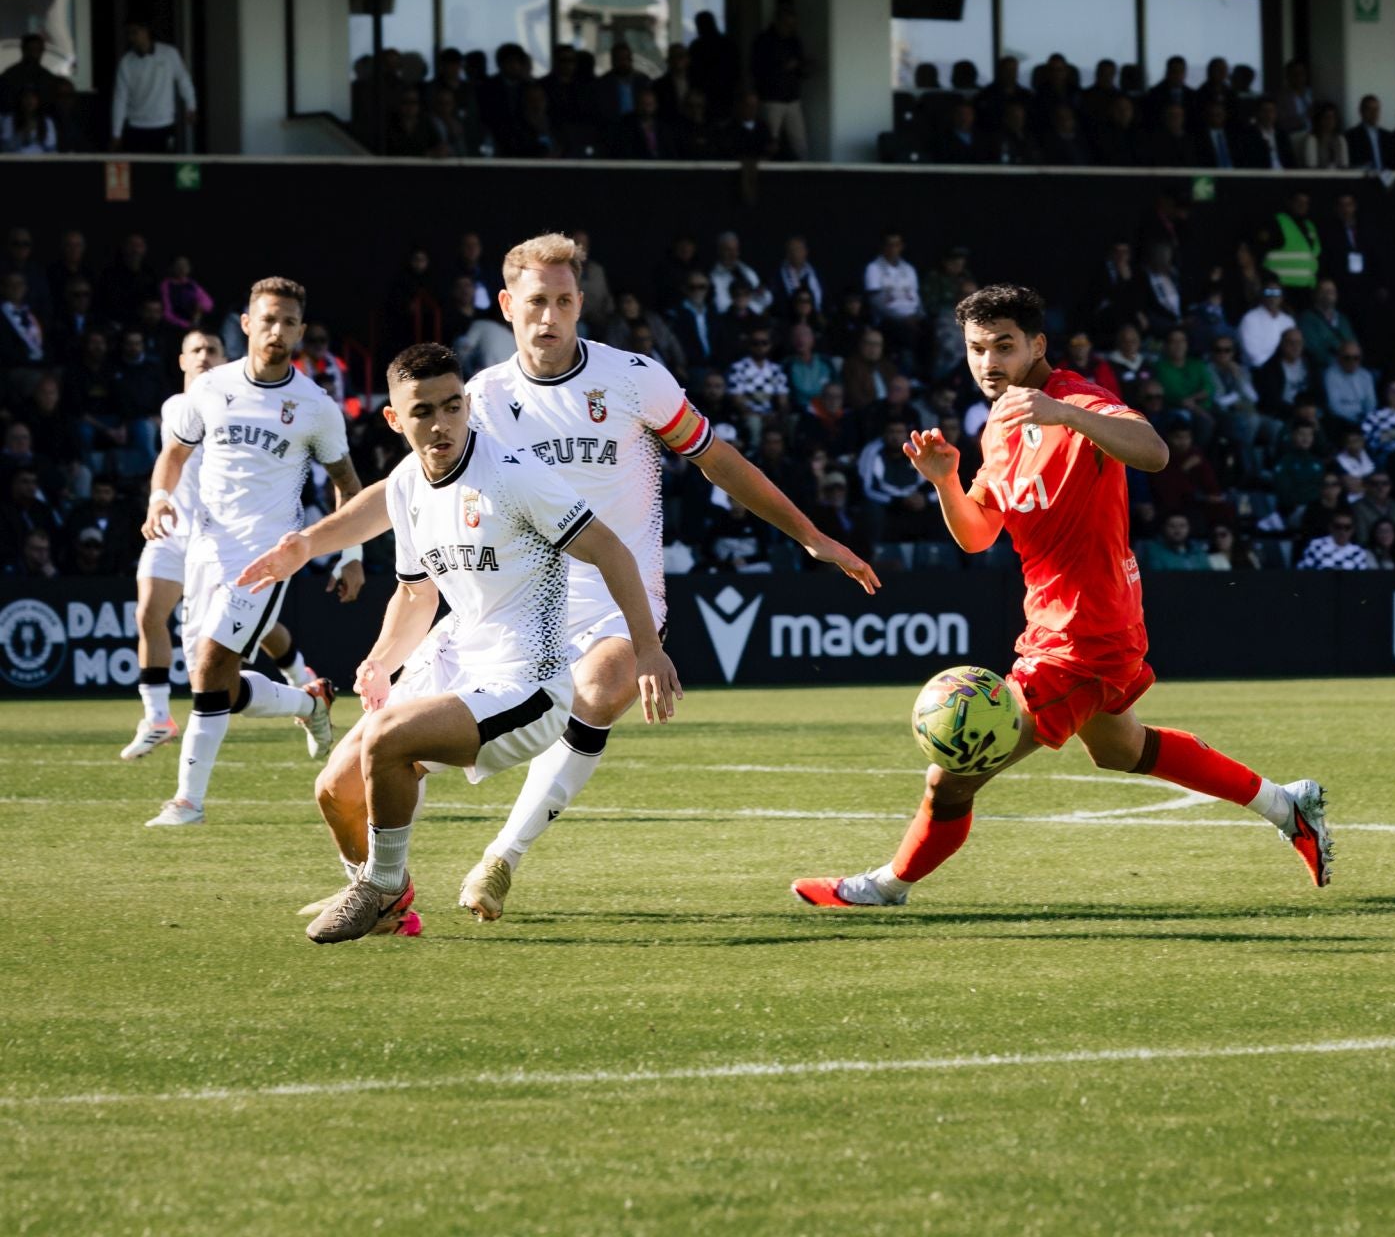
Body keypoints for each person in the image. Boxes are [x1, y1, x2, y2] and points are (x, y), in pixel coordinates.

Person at [310, 234, 876, 920]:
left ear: (581, 303)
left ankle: (502, 857)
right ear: (507, 306)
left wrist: (810, 536)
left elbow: (718, 460)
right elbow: (402, 488)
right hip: (512, 607)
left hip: (616, 590)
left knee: (600, 689)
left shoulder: (634, 379)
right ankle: (386, 896)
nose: (549, 317)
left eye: (563, 301)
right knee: (341, 786)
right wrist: (308, 543)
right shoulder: (477, 398)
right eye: (535, 302)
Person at [791, 284, 1332, 908]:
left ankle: (887, 887)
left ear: (1037, 345)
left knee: (952, 776)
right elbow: (978, 535)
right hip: (1065, 623)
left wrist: (1068, 415)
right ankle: (1286, 805)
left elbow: (1155, 453)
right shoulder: (1000, 424)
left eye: (1004, 346)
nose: (989, 361)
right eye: (976, 348)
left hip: (1084, 632)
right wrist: (945, 482)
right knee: (1122, 749)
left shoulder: (1076, 398)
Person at [240, 344, 669, 943]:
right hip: (456, 656)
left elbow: (611, 550)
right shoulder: (406, 484)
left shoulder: (515, 476)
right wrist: (381, 660)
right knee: (336, 791)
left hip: (529, 682)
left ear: (467, 404)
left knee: (388, 741)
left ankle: (381, 886)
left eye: (452, 406)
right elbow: (416, 595)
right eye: (422, 412)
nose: (440, 424)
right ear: (394, 419)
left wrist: (647, 647)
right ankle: (389, 907)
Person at [140, 277, 367, 827]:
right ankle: (309, 702)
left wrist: (350, 554)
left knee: (212, 665)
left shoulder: (315, 406)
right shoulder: (210, 387)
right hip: (205, 549)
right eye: (267, 319)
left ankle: (188, 802)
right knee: (214, 682)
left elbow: (348, 485)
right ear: (246, 324)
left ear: (301, 330)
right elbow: (174, 454)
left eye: (288, 322)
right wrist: (159, 498)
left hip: (270, 553)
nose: (277, 331)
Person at [120, 329, 321, 760]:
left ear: (226, 359)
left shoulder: (239, 406)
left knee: (257, 629)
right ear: (181, 360)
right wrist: (158, 500)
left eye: (212, 350)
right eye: (195, 350)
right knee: (148, 612)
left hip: (224, 538)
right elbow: (171, 460)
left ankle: (303, 682)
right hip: (173, 530)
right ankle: (157, 717)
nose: (204, 356)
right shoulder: (174, 407)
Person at [110, 21, 196, 153]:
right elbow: (120, 98)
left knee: (164, 164)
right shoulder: (126, 62)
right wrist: (116, 133)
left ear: (146, 31)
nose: (131, 38)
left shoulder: (169, 54)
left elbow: (183, 79)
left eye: (134, 33)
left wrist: (191, 105)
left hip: (164, 124)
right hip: (136, 126)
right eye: (129, 34)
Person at [749, 5, 808, 159]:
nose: (790, 28)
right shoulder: (764, 41)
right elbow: (757, 68)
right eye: (787, 24)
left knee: (799, 142)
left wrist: (800, 67)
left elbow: (800, 64)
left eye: (792, 24)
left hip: (792, 97)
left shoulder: (794, 41)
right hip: (771, 98)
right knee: (770, 142)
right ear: (777, 22)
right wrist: (782, 67)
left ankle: (803, 169)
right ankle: (768, 170)